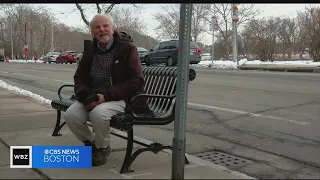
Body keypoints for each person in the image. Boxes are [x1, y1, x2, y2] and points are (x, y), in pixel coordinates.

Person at [64, 14, 149, 166]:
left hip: (121, 98)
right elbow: (79, 77)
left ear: (112, 29)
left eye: (105, 26)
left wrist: (106, 96)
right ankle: (94, 144)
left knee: (98, 114)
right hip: (93, 96)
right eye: (97, 27)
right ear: (92, 32)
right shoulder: (90, 50)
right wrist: (86, 96)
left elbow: (137, 80)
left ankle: (101, 148)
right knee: (71, 115)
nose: (102, 30)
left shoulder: (127, 49)